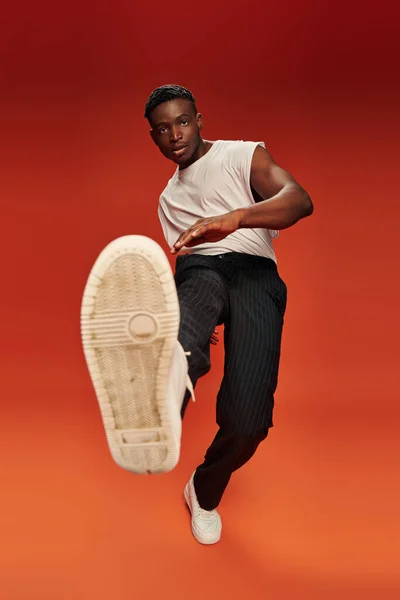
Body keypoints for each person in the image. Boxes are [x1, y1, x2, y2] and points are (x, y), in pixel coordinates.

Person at [80, 84, 313, 546]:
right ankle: (163, 401)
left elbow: (299, 200)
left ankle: (202, 491)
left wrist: (237, 219)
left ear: (199, 119)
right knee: (189, 319)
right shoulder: (168, 200)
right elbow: (188, 267)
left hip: (256, 273)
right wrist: (193, 315)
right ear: (153, 137)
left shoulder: (242, 156)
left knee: (249, 423)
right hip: (202, 270)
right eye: (162, 129)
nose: (175, 135)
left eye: (182, 122)